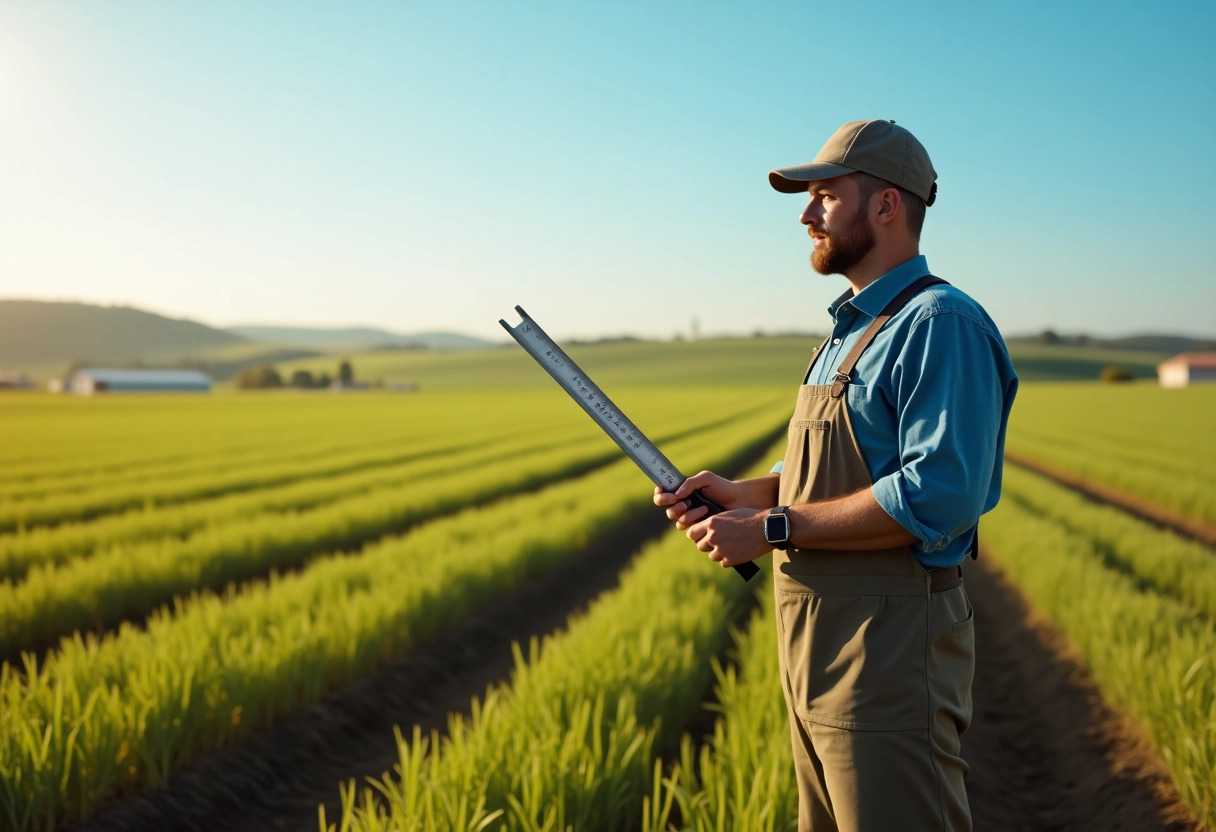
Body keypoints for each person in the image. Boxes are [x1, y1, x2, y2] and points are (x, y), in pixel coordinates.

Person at [654, 119, 1018, 832]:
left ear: (886, 206)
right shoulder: (847, 331)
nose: (805, 213)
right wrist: (748, 492)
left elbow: (938, 495)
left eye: (824, 195)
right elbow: (835, 464)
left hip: (888, 655)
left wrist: (771, 526)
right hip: (814, 649)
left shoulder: (940, 322)